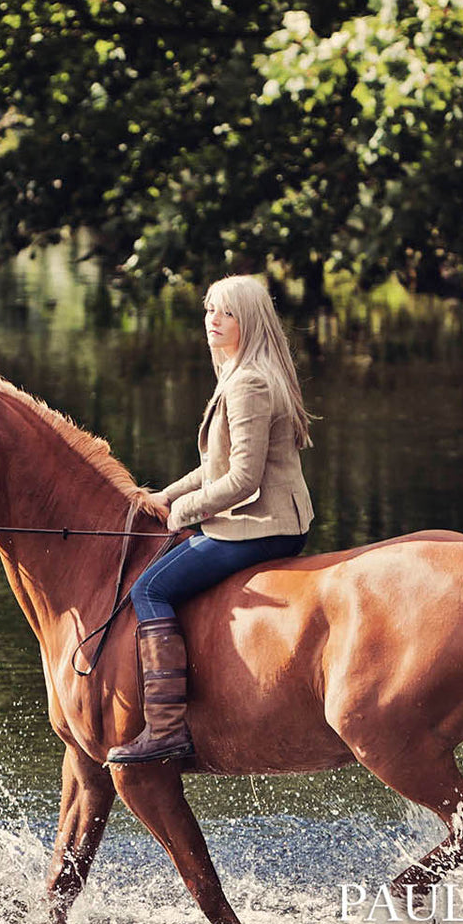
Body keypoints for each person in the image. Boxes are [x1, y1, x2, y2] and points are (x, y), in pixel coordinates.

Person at [107, 274, 314, 764]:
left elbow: (243, 480)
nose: (213, 322)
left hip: (263, 526)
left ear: (250, 322)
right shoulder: (243, 374)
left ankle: (164, 727)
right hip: (267, 519)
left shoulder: (248, 383)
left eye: (226, 313)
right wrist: (159, 497)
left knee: (149, 590)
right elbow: (214, 467)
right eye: (209, 311)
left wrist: (183, 513)